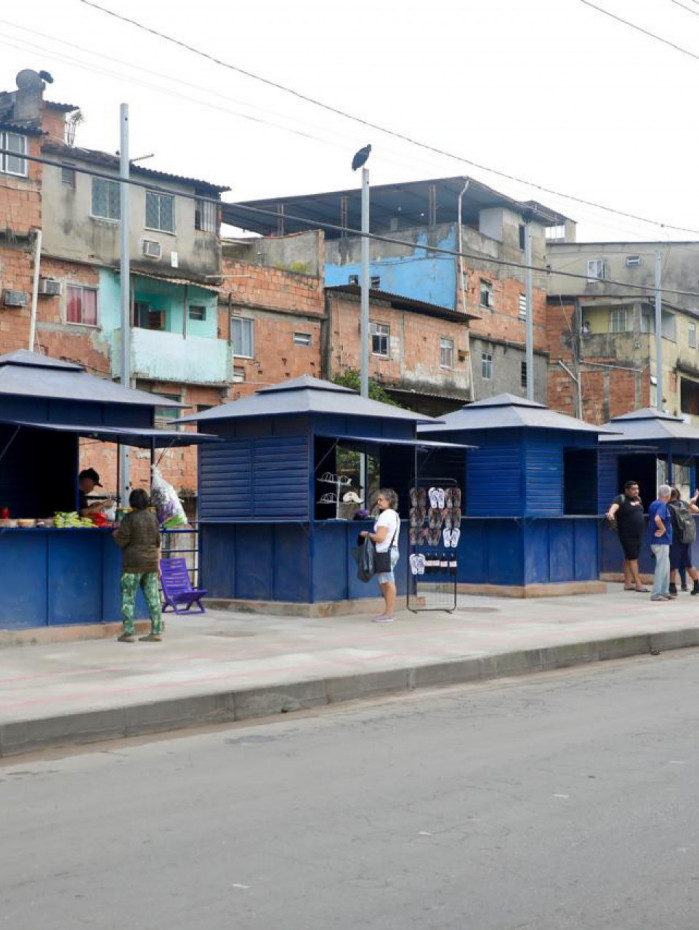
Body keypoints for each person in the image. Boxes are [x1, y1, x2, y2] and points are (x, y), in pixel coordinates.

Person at [112, 488, 163, 642]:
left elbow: (122, 541)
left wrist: (115, 534)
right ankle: (156, 631)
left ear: (131, 502)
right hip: (151, 564)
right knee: (153, 598)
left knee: (128, 598)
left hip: (133, 564)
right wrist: (158, 564)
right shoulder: (153, 518)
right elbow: (158, 542)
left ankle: (128, 633)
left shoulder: (129, 518)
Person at [360, 488, 400, 623]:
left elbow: (380, 537)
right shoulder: (394, 515)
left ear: (389, 501)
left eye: (381, 500)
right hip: (390, 551)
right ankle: (387, 612)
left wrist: (366, 534)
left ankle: (389, 614)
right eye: (378, 499)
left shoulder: (385, 516)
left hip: (385, 552)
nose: (378, 502)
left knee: (388, 582)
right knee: (384, 582)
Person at [606, 480, 648, 592]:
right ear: (627, 490)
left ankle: (628, 583)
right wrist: (611, 513)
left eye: (637, 489)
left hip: (637, 533)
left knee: (629, 557)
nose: (636, 491)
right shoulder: (621, 498)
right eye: (633, 489)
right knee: (633, 558)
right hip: (627, 534)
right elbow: (614, 507)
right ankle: (638, 584)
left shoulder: (638, 499)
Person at [667, 486, 699, 596]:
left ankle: (672, 587)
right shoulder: (682, 504)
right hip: (686, 537)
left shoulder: (668, 507)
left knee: (672, 564)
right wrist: (694, 498)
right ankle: (696, 584)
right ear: (677, 494)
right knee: (688, 563)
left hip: (675, 539)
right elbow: (696, 510)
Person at [648, 484, 674, 602]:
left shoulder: (654, 504)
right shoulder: (662, 505)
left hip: (659, 541)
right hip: (661, 540)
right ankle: (656, 593)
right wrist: (663, 529)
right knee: (662, 567)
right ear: (668, 495)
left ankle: (664, 591)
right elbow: (657, 518)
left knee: (665, 566)